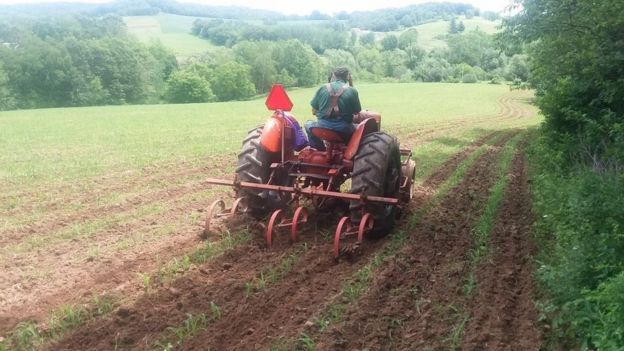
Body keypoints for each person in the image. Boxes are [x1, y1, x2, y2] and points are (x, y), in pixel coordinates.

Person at [305, 67, 362, 150]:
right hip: (344, 129)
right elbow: (357, 112)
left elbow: (314, 111)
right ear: (348, 76)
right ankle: (349, 152)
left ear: (334, 76)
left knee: (308, 124)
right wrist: (351, 83)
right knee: (360, 130)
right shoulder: (352, 91)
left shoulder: (322, 88)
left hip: (322, 126)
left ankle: (319, 150)